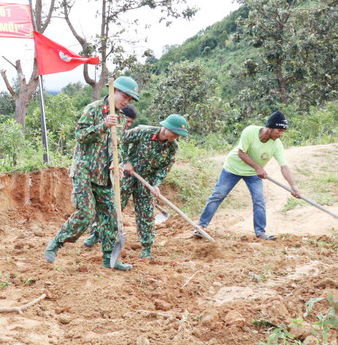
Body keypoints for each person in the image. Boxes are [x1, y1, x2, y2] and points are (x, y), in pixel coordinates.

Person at [44, 76, 140, 271]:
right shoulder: (93, 109)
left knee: (111, 216)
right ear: (114, 91)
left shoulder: (121, 119)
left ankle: (108, 258)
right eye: (125, 96)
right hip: (84, 172)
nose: (126, 101)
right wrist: (103, 125)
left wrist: (116, 163)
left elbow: (117, 146)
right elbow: (80, 136)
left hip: (104, 176)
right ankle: (56, 244)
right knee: (87, 213)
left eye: (130, 99)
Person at [195, 111, 300, 240]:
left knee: (259, 200)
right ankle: (201, 227)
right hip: (233, 169)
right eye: (279, 130)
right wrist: (258, 167)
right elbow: (241, 153)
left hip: (253, 174)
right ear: (270, 127)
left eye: (283, 131)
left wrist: (293, 186)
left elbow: (284, 166)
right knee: (218, 195)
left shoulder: (276, 145)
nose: (281, 134)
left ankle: (260, 234)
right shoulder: (250, 132)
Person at [119, 114, 188, 260]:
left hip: (147, 181)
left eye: (178, 135)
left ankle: (146, 248)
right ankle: (97, 234)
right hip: (128, 174)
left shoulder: (172, 146)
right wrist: (126, 161)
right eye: (174, 132)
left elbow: (165, 167)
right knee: (115, 205)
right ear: (165, 127)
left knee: (146, 213)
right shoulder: (143, 131)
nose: (176, 136)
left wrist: (156, 184)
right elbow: (121, 140)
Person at [81, 105, 137, 247]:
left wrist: (122, 163)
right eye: (127, 121)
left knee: (111, 208)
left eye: (130, 123)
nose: (128, 125)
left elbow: (123, 150)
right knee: (101, 207)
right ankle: (95, 234)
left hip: (117, 171)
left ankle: (107, 238)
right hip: (101, 172)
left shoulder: (123, 133)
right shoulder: (109, 130)